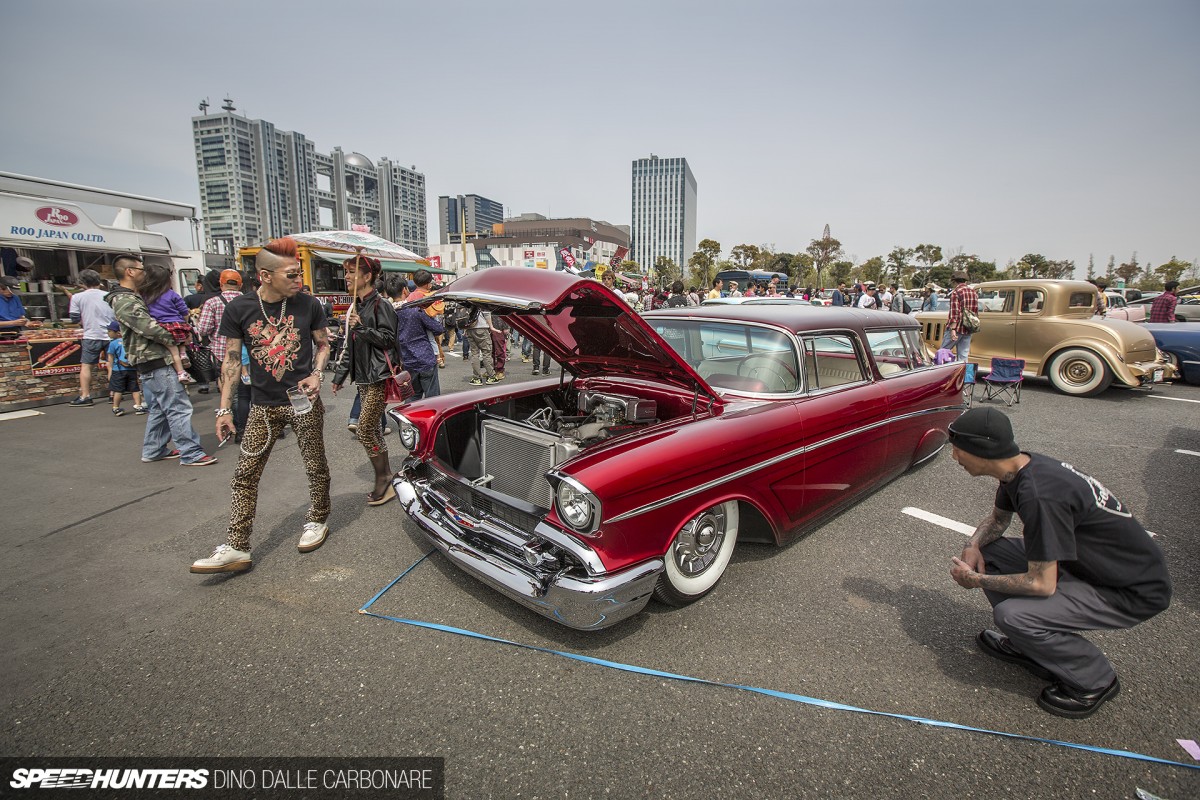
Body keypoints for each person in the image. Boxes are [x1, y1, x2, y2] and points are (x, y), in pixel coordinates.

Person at [946, 408, 1171, 718]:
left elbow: (1041, 583)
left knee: (1012, 616)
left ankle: (1094, 679)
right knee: (993, 552)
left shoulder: (1040, 495)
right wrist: (972, 545)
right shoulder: (1018, 468)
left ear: (981, 449)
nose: (955, 456)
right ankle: (1030, 646)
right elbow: (998, 521)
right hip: (1088, 566)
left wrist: (975, 580)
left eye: (957, 448)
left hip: (1128, 590)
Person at [190, 237, 331, 574]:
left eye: (299, 274)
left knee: (315, 465)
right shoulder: (239, 308)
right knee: (244, 475)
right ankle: (238, 546)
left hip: (303, 402)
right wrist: (224, 409)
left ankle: (318, 518)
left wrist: (317, 374)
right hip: (262, 407)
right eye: (291, 275)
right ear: (266, 276)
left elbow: (324, 345)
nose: (298, 280)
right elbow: (231, 361)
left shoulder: (308, 305)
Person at [106, 254, 216, 467]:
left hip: (153, 357)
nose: (144, 274)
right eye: (140, 269)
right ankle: (190, 452)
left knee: (160, 407)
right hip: (155, 357)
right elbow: (148, 328)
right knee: (178, 406)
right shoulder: (125, 300)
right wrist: (177, 337)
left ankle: (154, 448)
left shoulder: (131, 297)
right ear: (130, 271)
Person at [332, 254, 400, 506]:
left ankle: (384, 477)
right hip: (363, 377)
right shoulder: (357, 306)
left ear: (367, 276)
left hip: (379, 377)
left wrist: (360, 327)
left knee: (364, 430)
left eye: (351, 272)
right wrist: (340, 376)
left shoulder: (381, 305)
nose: (346, 277)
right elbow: (350, 347)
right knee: (371, 429)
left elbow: (390, 340)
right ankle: (385, 477)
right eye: (346, 272)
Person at [138, 263, 196, 384]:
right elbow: (184, 311)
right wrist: (184, 324)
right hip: (177, 324)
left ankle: (181, 373)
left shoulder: (143, 296)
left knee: (172, 351)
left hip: (160, 327)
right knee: (180, 343)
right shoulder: (172, 294)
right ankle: (183, 356)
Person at [67, 269, 117, 407]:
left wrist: (85, 321)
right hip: (110, 334)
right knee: (111, 364)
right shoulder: (109, 295)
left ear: (83, 282)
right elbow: (116, 315)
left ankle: (85, 395)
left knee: (86, 365)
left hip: (91, 334)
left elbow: (74, 317)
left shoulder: (77, 297)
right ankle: (114, 394)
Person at [195, 269, 246, 389]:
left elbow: (203, 330)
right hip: (249, 352)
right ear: (241, 285)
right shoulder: (251, 301)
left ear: (221, 285)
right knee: (247, 389)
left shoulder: (212, 303)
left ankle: (227, 407)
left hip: (222, 353)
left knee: (226, 383)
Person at [396, 277, 444, 402]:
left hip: (406, 360)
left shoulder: (389, 313)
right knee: (432, 398)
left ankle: (408, 421)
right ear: (404, 290)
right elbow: (438, 329)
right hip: (425, 357)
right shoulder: (415, 310)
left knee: (412, 396)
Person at [104, 320, 144, 416]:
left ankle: (116, 407)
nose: (108, 333)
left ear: (118, 333)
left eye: (110, 331)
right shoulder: (130, 341)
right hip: (131, 369)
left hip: (118, 370)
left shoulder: (113, 343)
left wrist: (110, 369)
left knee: (118, 390)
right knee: (135, 389)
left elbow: (110, 357)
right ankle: (138, 406)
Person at [942, 270, 979, 360]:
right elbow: (975, 311)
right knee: (963, 356)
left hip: (957, 327)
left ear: (954, 281)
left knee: (943, 352)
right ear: (965, 281)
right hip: (968, 328)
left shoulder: (956, 292)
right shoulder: (973, 292)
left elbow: (954, 312)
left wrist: (953, 329)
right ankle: (963, 373)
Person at [464, 303, 500, 385]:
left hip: (470, 328)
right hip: (482, 328)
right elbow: (486, 313)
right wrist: (491, 327)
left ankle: (476, 378)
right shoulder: (479, 299)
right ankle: (491, 376)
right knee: (486, 352)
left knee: (475, 354)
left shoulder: (466, 300)